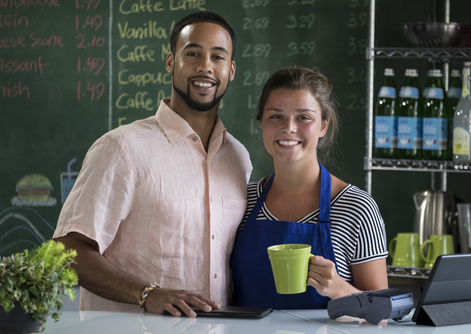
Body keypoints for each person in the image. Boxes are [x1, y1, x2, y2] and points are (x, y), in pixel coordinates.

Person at [53, 12, 252, 318]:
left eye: (218, 57)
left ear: (231, 70)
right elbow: (67, 251)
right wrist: (146, 294)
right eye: (193, 53)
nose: (205, 66)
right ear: (171, 62)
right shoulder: (123, 148)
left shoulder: (238, 158)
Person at [230, 67, 388, 309]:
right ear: (261, 121)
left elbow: (382, 312)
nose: (289, 127)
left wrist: (338, 288)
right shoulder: (242, 200)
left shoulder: (358, 208)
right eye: (275, 116)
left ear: (323, 126)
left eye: (303, 117)